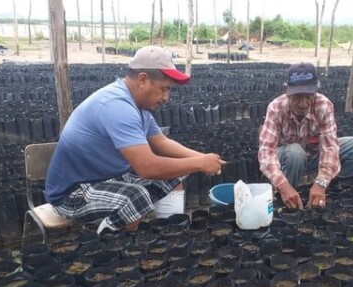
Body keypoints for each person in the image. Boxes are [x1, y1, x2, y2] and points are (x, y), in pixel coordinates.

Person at [46, 45, 226, 235]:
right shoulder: (117, 106)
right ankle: (111, 245)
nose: (166, 97)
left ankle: (169, 234)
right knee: (135, 198)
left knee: (176, 173)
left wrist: (205, 158)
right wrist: (199, 163)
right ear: (143, 80)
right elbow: (147, 167)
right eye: (164, 89)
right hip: (73, 193)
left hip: (104, 179)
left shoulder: (136, 105)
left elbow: (161, 143)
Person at [258, 62, 353, 209]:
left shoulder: (323, 105)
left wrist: (321, 183)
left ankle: (335, 193)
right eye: (297, 97)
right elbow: (266, 152)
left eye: (308, 96)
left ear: (315, 92)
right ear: (286, 91)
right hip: (286, 159)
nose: (303, 103)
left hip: (313, 154)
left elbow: (330, 147)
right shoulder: (276, 108)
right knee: (295, 152)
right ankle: (287, 200)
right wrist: (283, 186)